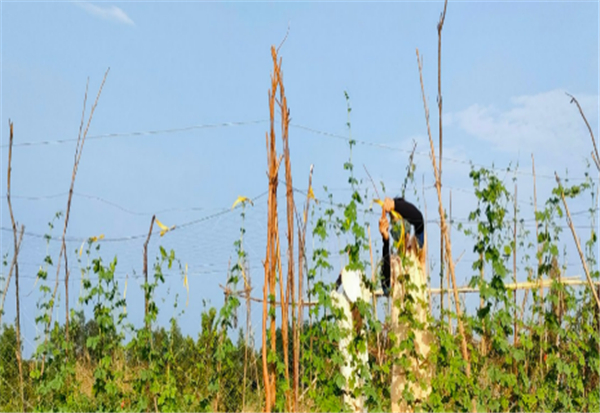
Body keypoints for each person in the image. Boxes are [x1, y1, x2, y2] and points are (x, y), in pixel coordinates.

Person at [379, 197, 424, 296]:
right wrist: (385, 241)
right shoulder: (393, 260)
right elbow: (386, 288)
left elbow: (419, 220)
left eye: (399, 221)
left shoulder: (415, 248)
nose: (396, 226)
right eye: (393, 222)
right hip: (399, 311)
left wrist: (394, 205)